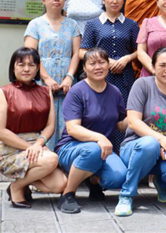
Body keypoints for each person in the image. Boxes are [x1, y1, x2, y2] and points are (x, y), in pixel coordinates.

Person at [115, 48, 166, 217]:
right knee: (150, 144)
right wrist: (161, 140)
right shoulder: (142, 84)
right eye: (162, 65)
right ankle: (127, 194)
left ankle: (162, 183)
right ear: (153, 66)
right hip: (136, 146)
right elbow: (134, 122)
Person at [55, 48, 129, 214]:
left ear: (108, 65)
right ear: (84, 67)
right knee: (93, 149)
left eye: (102, 62)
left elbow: (120, 125)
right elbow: (72, 128)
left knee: (119, 177)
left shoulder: (115, 92)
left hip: (103, 150)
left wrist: (134, 116)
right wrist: (99, 138)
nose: (98, 67)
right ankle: (68, 194)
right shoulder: (77, 91)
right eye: (92, 63)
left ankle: (92, 180)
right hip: (72, 147)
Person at [0, 48, 67, 208]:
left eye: (31, 65)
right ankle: (17, 188)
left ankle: (20, 184)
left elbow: (50, 126)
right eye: (21, 64)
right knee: (51, 159)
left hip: (36, 147)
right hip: (10, 149)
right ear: (13, 67)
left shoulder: (46, 92)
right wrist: (30, 147)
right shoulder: (3, 92)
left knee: (60, 185)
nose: (26, 69)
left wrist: (38, 144)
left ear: (38, 68)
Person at [80, 0, 139, 151]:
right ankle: (98, 149)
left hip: (125, 77)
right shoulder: (93, 24)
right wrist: (105, 61)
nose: (114, 1)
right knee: (99, 112)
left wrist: (127, 58)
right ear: (103, 0)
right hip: (99, 77)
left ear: (123, 0)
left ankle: (122, 152)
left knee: (123, 114)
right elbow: (82, 51)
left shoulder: (131, 25)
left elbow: (140, 51)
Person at [24, 0, 81, 150]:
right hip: (41, 80)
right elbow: (31, 55)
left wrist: (69, 76)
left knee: (68, 120)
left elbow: (76, 53)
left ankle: (65, 158)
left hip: (67, 82)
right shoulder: (35, 24)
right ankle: (41, 158)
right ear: (43, 0)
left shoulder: (72, 24)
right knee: (42, 119)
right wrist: (47, 79)